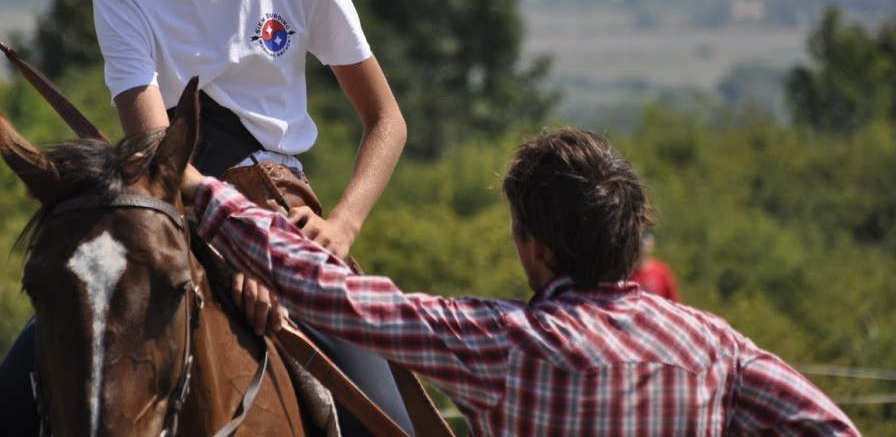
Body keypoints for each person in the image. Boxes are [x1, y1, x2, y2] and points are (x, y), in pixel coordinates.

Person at [0, 0, 411, 434]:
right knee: (1, 415)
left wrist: (342, 225)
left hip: (287, 221)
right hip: (169, 217)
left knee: (389, 422)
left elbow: (385, 120)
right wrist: (239, 253)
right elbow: (157, 150)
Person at [188, 127, 860, 435]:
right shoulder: (715, 346)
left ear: (532, 246)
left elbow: (327, 292)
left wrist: (200, 191)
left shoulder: (506, 344)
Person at [631, 230, 681, 301]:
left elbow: (674, 301)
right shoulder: (627, 273)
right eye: (641, 241)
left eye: (646, 240)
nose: (643, 245)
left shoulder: (662, 272)